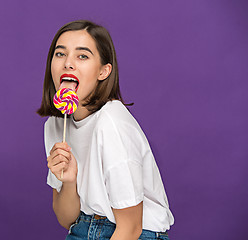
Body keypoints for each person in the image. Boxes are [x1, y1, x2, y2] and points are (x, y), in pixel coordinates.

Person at [37, 20, 174, 240]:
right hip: (81, 228)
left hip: (137, 234)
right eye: (60, 54)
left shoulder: (111, 122)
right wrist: (69, 180)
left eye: (82, 56)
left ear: (103, 71)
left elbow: (131, 227)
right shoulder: (55, 126)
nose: (68, 63)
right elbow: (66, 219)